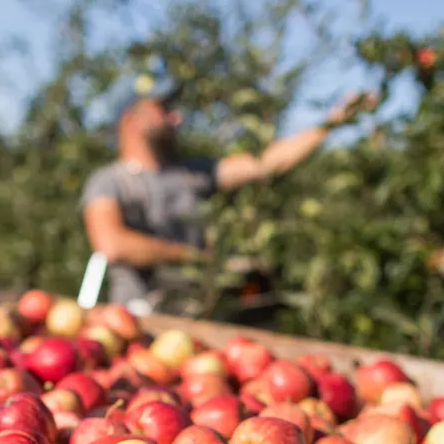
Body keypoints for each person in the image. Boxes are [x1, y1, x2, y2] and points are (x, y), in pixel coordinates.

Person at [79, 79, 371, 313]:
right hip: (139, 317)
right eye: (163, 107)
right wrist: (198, 258)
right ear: (131, 118)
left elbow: (265, 163)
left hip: (199, 316)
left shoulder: (194, 173)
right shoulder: (109, 181)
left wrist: (335, 122)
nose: (177, 116)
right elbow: (112, 244)